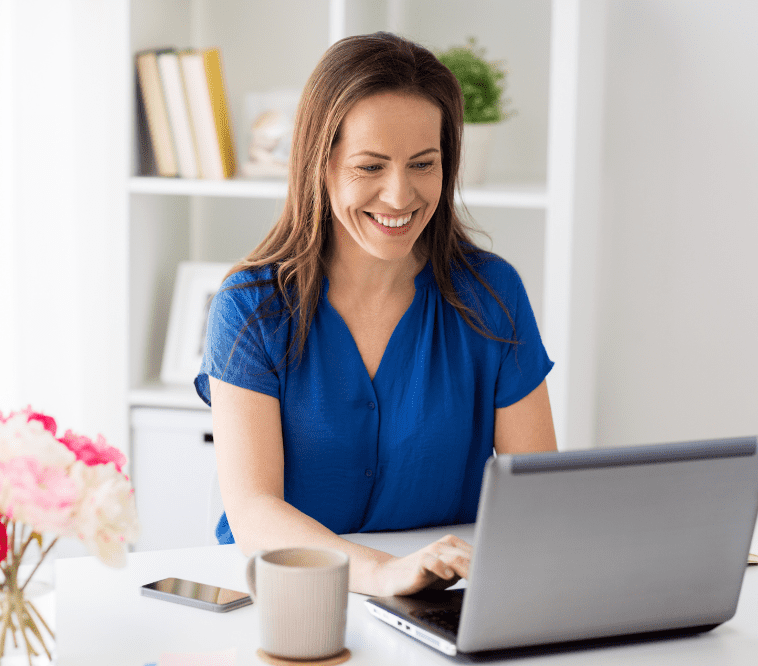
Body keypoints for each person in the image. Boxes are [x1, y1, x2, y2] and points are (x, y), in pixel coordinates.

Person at [194, 32, 556, 597]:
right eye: (370, 166)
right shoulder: (250, 308)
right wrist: (383, 573)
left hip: (438, 606)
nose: (399, 195)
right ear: (322, 163)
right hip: (287, 602)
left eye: (423, 164)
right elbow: (253, 510)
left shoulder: (492, 294)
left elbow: (538, 497)